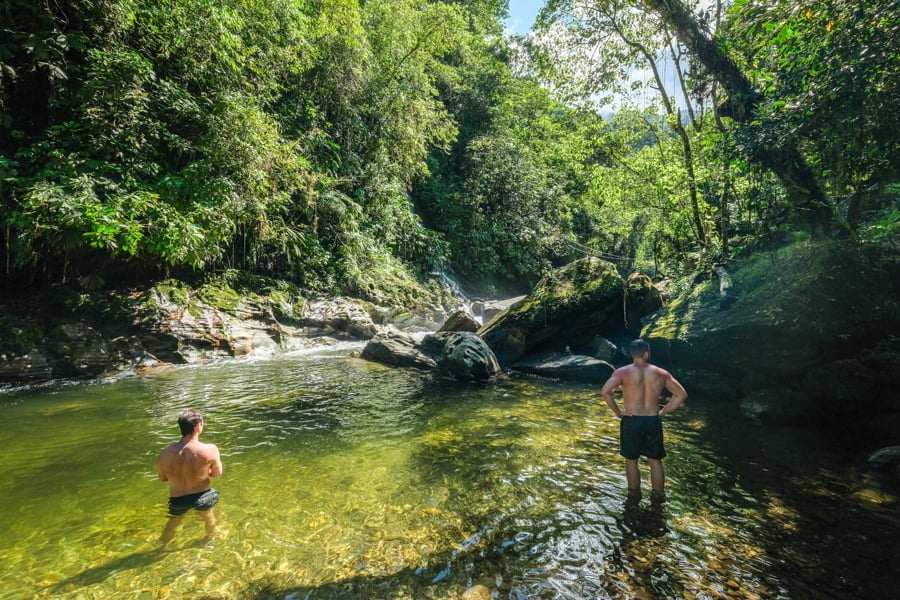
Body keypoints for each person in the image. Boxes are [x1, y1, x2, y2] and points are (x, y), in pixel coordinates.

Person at [601, 339, 687, 498]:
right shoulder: (661, 373)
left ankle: (633, 496)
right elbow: (681, 395)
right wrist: (664, 411)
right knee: (655, 461)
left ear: (632, 353)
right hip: (652, 420)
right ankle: (658, 496)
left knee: (631, 460)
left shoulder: (622, 372)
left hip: (631, 420)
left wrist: (618, 412)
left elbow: (606, 392)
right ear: (647, 353)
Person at [157, 409, 223, 545]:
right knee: (209, 520)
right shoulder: (210, 449)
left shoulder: (165, 453)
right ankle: (211, 542)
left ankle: (161, 548)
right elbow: (217, 474)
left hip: (177, 499)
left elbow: (163, 478)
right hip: (202, 496)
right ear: (198, 426)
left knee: (172, 523)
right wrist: (201, 473)